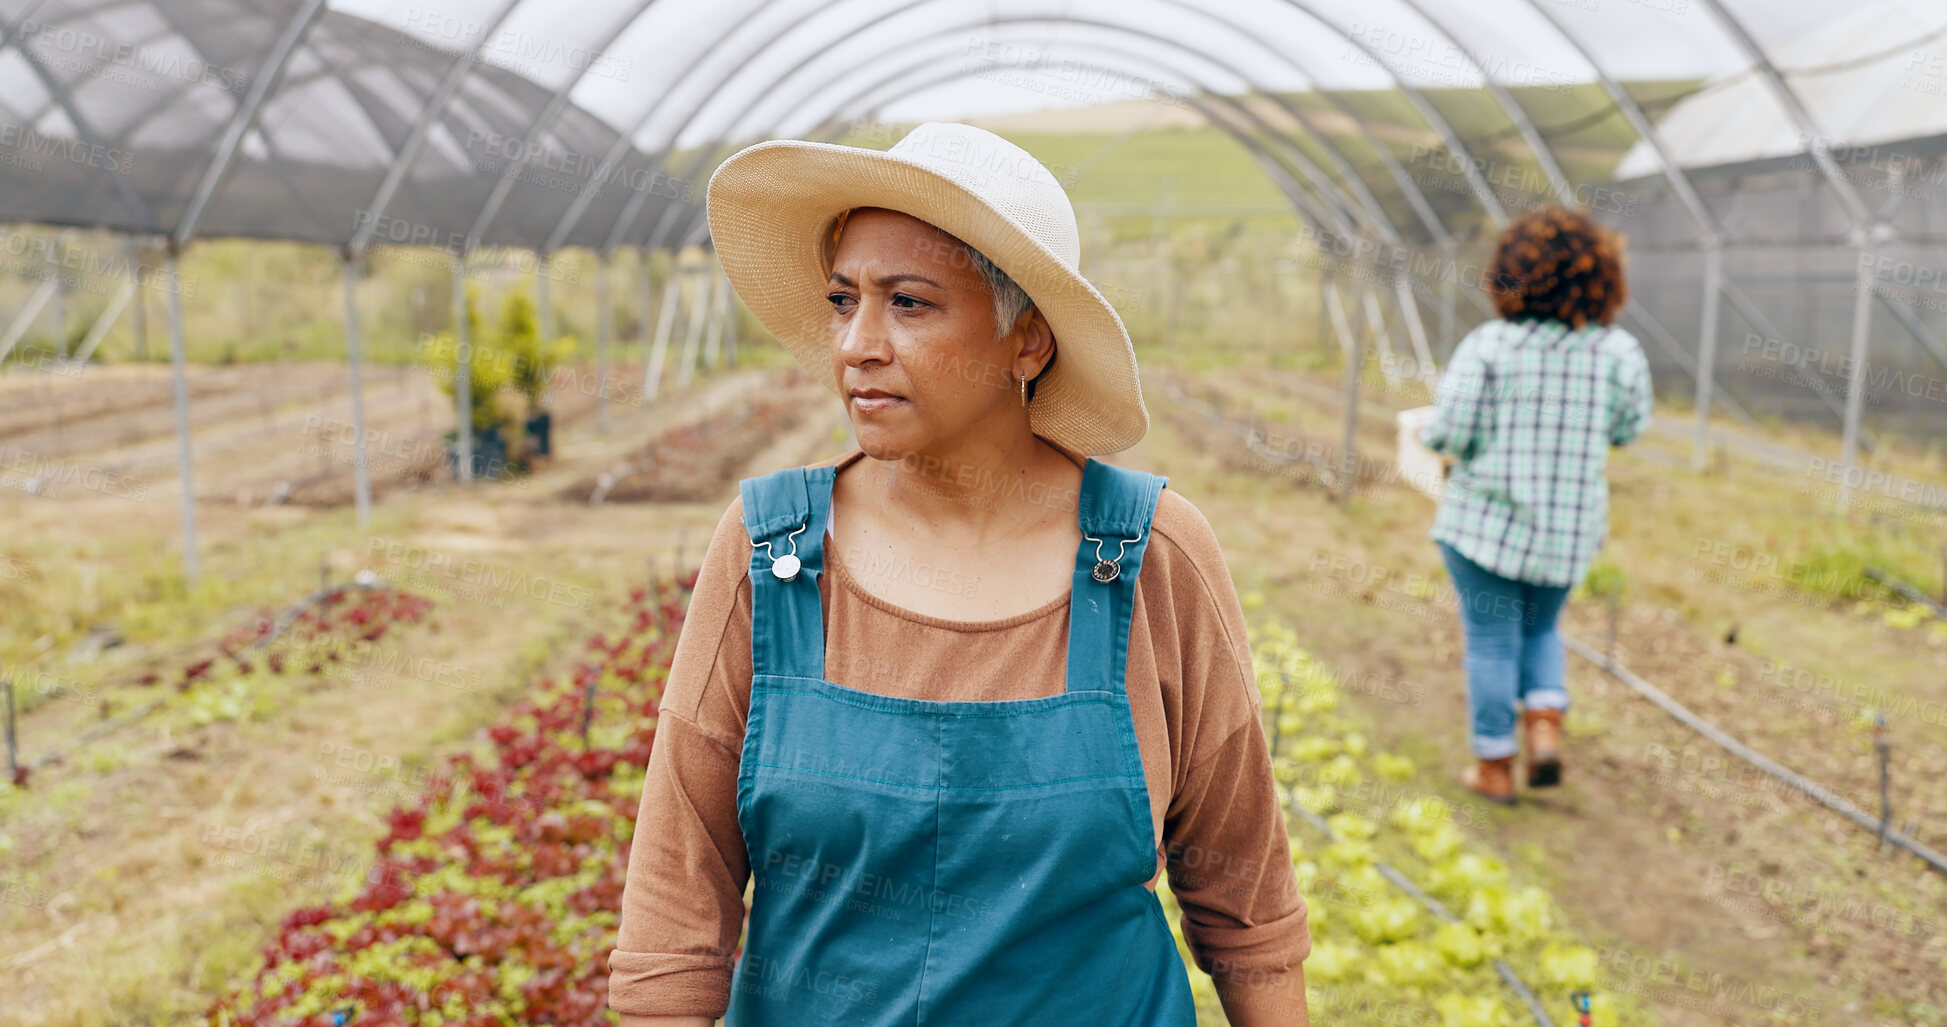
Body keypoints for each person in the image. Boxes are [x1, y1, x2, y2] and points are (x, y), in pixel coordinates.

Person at [606, 122, 1311, 1026]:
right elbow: (675, 907)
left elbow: (1246, 909)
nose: (856, 344)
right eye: (841, 300)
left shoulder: (1149, 556)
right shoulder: (771, 553)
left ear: (1028, 342)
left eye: (908, 302)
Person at [1417, 204, 1653, 805]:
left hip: (1485, 531)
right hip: (1568, 534)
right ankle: (1544, 727)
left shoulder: (1491, 347)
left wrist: (1437, 440)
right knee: (1543, 628)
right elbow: (1628, 429)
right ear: (1603, 280)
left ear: (1510, 275)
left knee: (1493, 641)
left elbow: (1450, 433)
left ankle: (1495, 765)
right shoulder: (1618, 352)